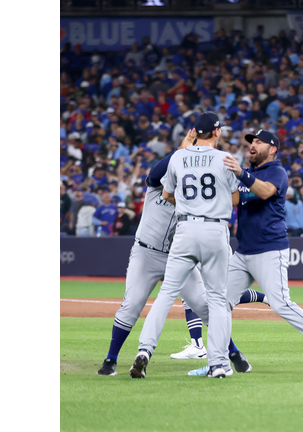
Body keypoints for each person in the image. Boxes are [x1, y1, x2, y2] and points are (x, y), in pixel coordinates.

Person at [99, 127, 263, 377]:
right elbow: (156, 174)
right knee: (131, 305)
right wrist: (182, 148)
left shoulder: (190, 187)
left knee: (204, 306)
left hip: (177, 253)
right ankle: (110, 360)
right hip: (146, 253)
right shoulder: (157, 184)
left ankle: (232, 352)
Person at [216, 129, 303, 378]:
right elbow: (232, 199)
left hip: (269, 249)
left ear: (272, 148)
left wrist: (240, 173)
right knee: (219, 303)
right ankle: (217, 362)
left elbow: (264, 192)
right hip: (243, 251)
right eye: (251, 141)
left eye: (259, 141)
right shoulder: (249, 174)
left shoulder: (275, 171)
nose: (252, 144)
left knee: (281, 303)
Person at [131, 112, 242, 379]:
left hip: (184, 228)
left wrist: (187, 207)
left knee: (167, 293)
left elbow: (167, 193)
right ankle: (217, 362)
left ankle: (144, 350)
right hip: (215, 228)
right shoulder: (225, 159)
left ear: (195, 133)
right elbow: (236, 199)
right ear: (216, 132)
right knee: (216, 298)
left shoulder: (179, 157)